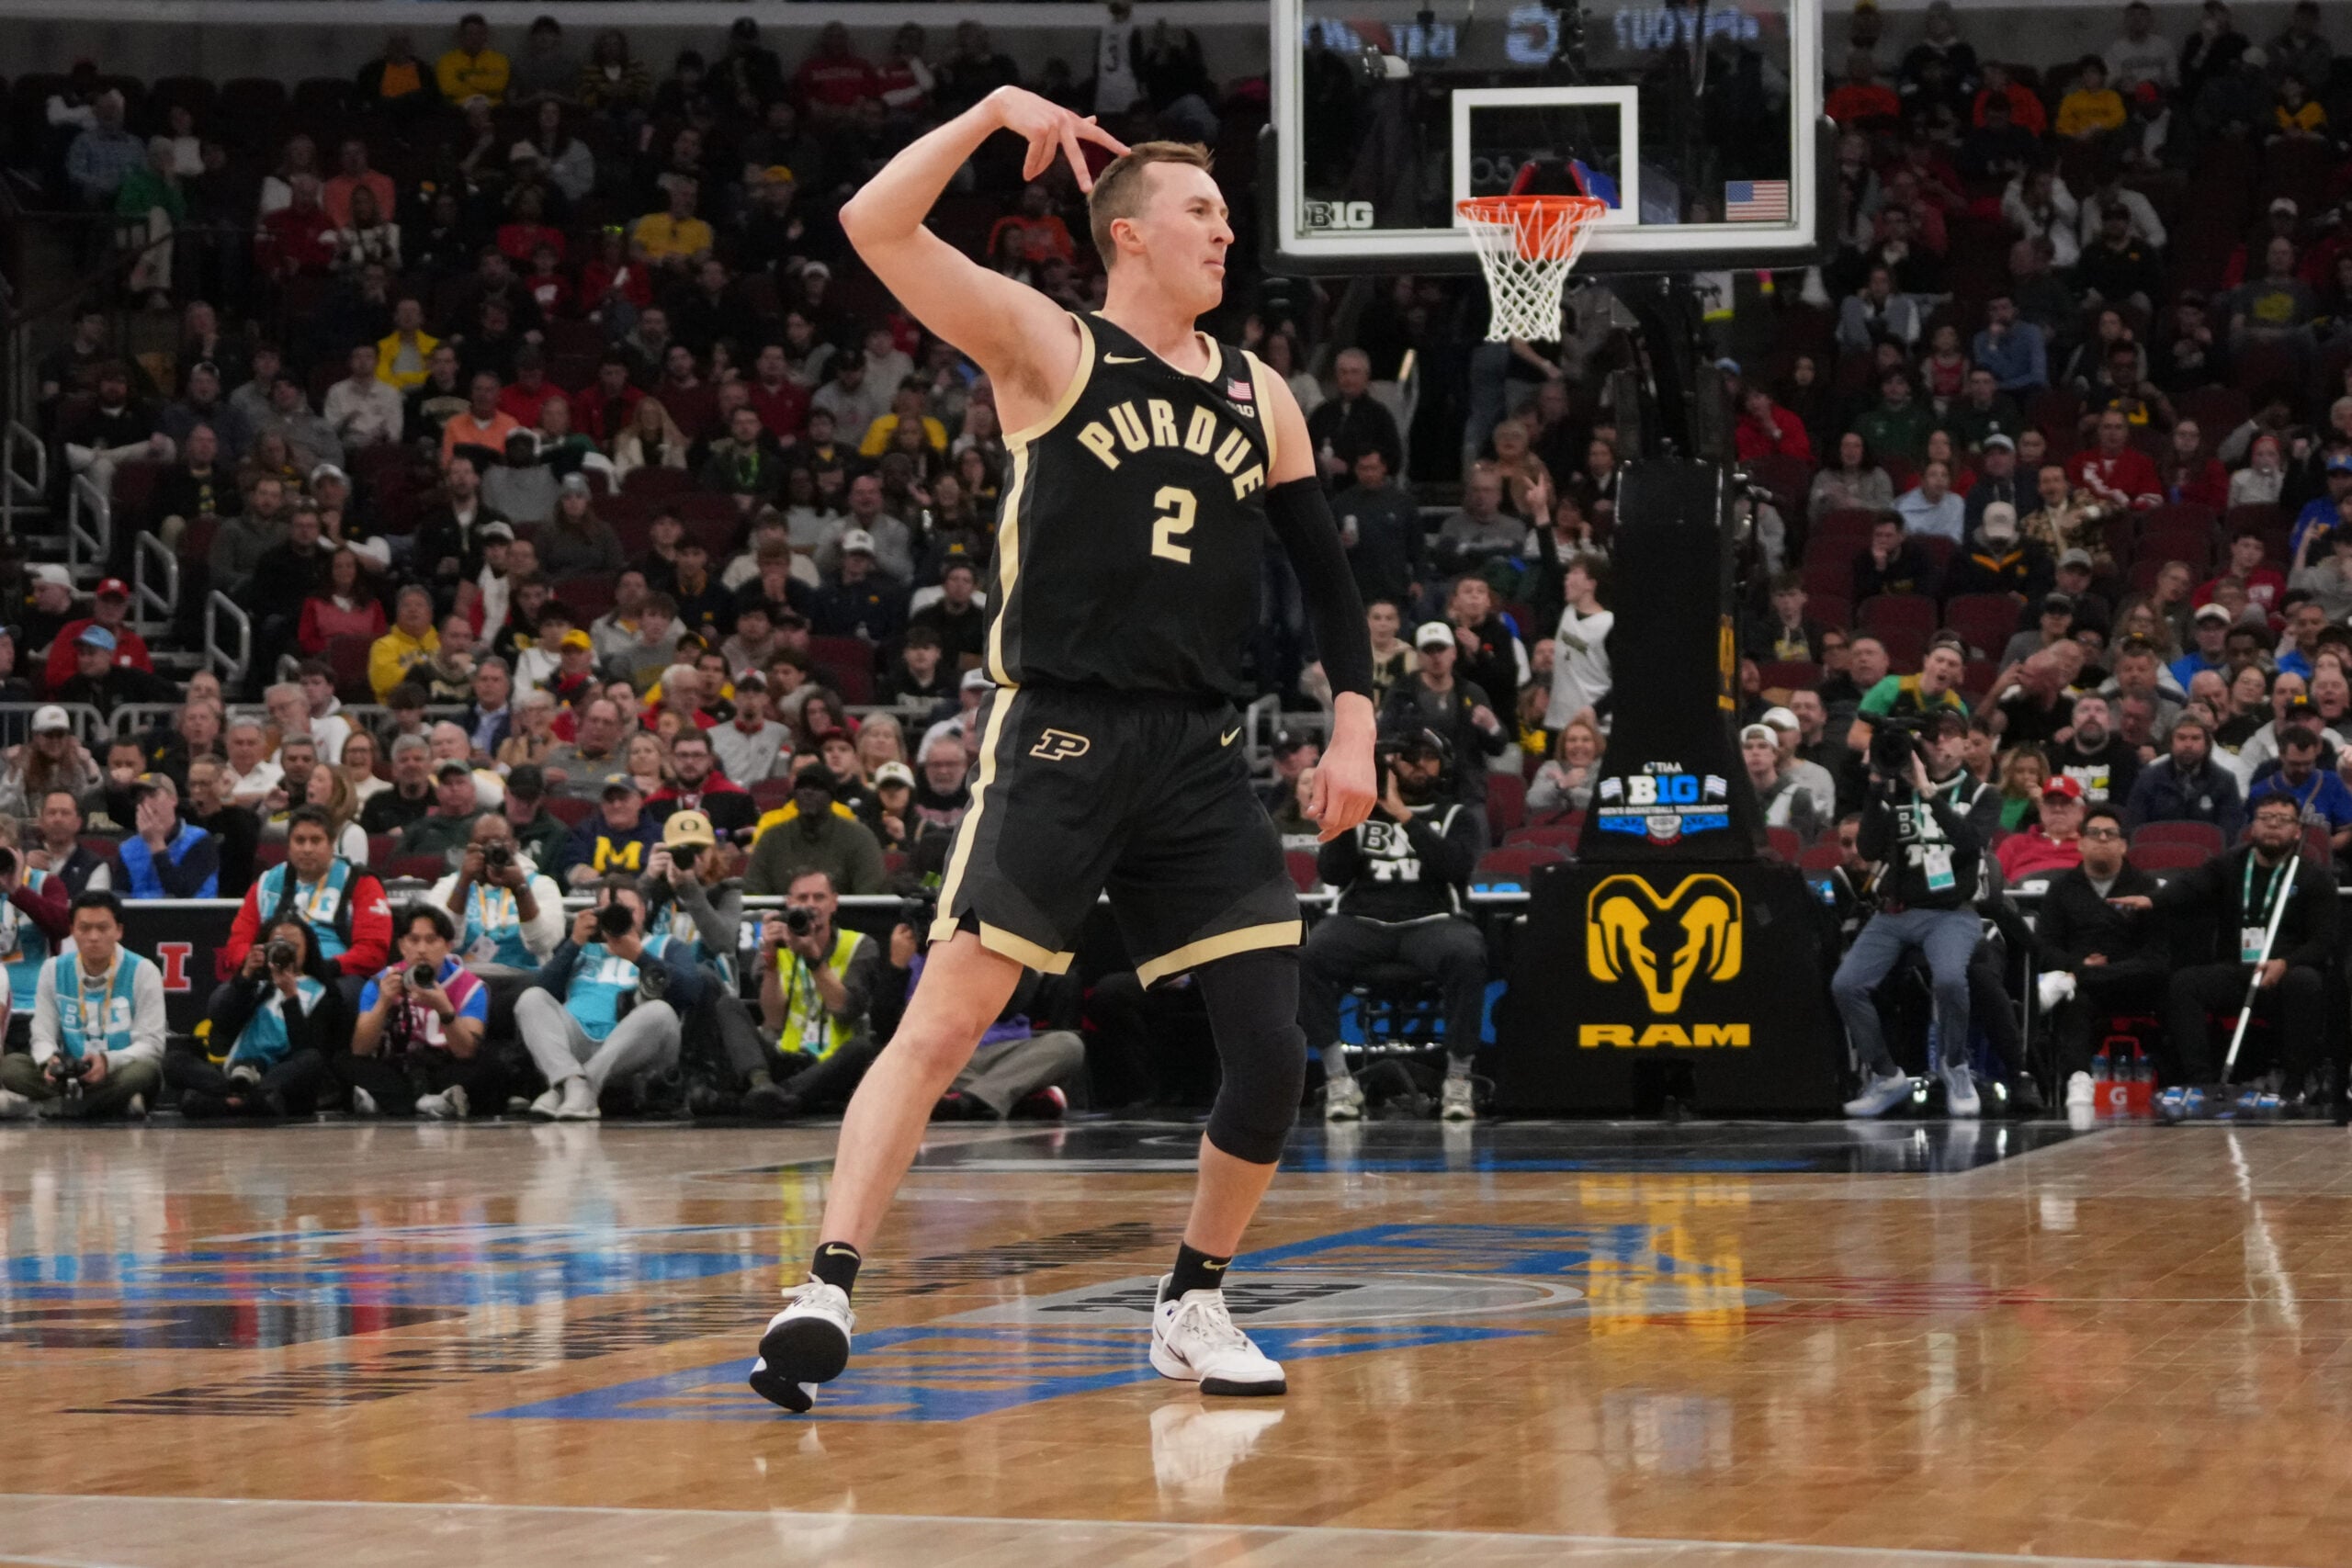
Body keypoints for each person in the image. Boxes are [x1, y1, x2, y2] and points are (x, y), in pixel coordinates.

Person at [743, 97, 1376, 1414]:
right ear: (1129, 234)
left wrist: (1357, 714)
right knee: (947, 1022)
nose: (1227, 229)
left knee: (1271, 1051)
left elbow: (1326, 575)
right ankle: (824, 1284)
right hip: (1064, 734)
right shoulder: (1048, 343)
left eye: (1225, 212)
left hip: (1199, 750)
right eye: (1201, 211)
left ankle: (1193, 1296)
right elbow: (873, 222)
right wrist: (986, 113)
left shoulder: (1261, 392)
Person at [1301, 728, 1487, 1122]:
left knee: (1468, 953)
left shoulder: (1455, 815)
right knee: (1309, 954)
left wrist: (1403, 814)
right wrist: (1351, 812)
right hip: (1362, 921)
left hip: (1432, 921)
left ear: (1444, 764)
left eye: (1430, 757)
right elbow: (1332, 874)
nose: (1421, 765)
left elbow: (1455, 868)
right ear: (1390, 763)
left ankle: (1457, 1079)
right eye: (1410, 757)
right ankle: (1338, 1080)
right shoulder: (1360, 811)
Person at [2115, 794, 2338, 1113]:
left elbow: (2324, 940)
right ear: (2252, 826)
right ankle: (2201, 1081)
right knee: (2185, 984)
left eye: (2283, 819)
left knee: (2307, 982)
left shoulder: (2313, 876)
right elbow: (2190, 886)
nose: (2273, 825)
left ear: (2297, 832)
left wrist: (2287, 962)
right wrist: (2153, 901)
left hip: (2285, 972)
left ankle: (2295, 1083)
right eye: (2266, 818)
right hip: (2239, 968)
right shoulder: (2230, 864)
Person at [1836, 718, 1992, 1119]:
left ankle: (1955, 1066)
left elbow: (1971, 844)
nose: (1937, 745)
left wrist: (1928, 792)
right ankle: (1887, 1076)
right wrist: (1875, 784)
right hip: (1897, 911)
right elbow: (1869, 849)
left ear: (1964, 746)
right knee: (1846, 985)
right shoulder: (1895, 790)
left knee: (1951, 980)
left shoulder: (1981, 794)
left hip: (1950, 913)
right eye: (1931, 738)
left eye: (1946, 737)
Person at [518, 877, 700, 1120]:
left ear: (643, 912)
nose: (618, 917)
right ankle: (569, 1082)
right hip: (577, 1041)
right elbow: (544, 990)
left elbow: (692, 992)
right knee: (531, 998)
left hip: (635, 1046)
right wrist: (573, 943)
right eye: (609, 911)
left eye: (628, 911)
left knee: (660, 1011)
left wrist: (640, 957)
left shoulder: (665, 944)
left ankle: (579, 1086)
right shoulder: (583, 948)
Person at [2032, 805, 2167, 1113]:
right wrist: (2080, 968)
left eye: (2111, 834)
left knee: (2169, 986)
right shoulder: (2061, 888)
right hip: (2082, 985)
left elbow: (2156, 957)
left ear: (2124, 845)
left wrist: (2082, 972)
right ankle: (2077, 1078)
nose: (2102, 839)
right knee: (2074, 1001)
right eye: (2094, 833)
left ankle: (2174, 1083)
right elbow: (2045, 948)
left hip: (2133, 981)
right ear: (2080, 843)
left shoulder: (2146, 888)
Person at [0, 891, 165, 1122]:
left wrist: (108, 1061)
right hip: (68, 1076)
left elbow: (152, 1044)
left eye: (102, 928)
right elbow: (42, 1034)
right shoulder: (53, 969)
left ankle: (51, 1107)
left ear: (119, 930)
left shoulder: (144, 971)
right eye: (84, 928)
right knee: (11, 1067)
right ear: (72, 931)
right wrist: (49, 1062)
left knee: (145, 1072)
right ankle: (110, 1106)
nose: (93, 937)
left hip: (116, 1071)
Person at [737, 868, 886, 1120]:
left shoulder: (860, 945)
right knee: (728, 1005)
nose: (810, 905)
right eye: (802, 898)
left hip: (832, 1063)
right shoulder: (775, 944)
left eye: (819, 897)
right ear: (789, 904)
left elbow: (845, 1011)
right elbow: (773, 1020)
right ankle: (762, 1085)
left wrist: (813, 959)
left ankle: (774, 1097)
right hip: (785, 1055)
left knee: (863, 1048)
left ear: (834, 903)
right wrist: (771, 960)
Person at [169, 916, 340, 1119]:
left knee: (311, 1060)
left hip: (278, 1075)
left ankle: (224, 1102)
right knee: (174, 1059)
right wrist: (245, 976)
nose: (284, 952)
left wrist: (290, 997)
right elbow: (222, 1023)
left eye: (292, 946)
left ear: (307, 949)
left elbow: (307, 1049)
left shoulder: (322, 992)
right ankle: (241, 1097)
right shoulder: (254, 983)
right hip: (235, 1071)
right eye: (277, 945)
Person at [343, 901, 494, 1119]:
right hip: (396, 1068)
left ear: (448, 946)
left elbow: (466, 1051)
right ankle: (430, 1103)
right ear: (402, 945)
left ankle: (390, 1103)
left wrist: (444, 1009)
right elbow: (361, 1049)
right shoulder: (380, 982)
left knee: (489, 1065)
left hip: (445, 1067)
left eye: (431, 940)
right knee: (344, 1061)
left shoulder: (470, 987)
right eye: (414, 940)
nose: (422, 949)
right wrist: (384, 1002)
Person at [219, 806, 393, 985]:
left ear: (332, 844)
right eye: (300, 841)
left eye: (316, 840)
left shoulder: (360, 882)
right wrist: (255, 962)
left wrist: (324, 968)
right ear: (289, 844)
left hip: (335, 975)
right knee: (222, 1001)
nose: (307, 849)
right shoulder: (265, 883)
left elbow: (373, 952)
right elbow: (237, 945)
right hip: (271, 972)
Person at [743, 760, 889, 895]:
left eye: (817, 787)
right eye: (802, 787)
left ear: (831, 797)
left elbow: (871, 898)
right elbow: (753, 893)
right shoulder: (772, 838)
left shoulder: (859, 838)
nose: (808, 793)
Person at [2123, 712, 2245, 839]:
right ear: (2171, 742)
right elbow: (2133, 829)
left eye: (2195, 738)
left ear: (2207, 744)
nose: (2188, 745)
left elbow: (2230, 834)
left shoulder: (2224, 782)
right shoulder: (2148, 779)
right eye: (2181, 738)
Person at [117, 774, 218, 897]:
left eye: (153, 795)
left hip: (190, 915)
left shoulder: (200, 841)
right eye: (140, 799)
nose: (146, 803)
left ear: (173, 799)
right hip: (140, 915)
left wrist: (156, 845)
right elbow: (119, 897)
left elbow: (182, 893)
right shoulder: (127, 849)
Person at [1997, 775, 2088, 880]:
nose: (2057, 809)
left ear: (2081, 811)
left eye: (2065, 803)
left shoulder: (2091, 846)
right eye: (2051, 803)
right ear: (2041, 809)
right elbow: (1993, 883)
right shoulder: (2014, 844)